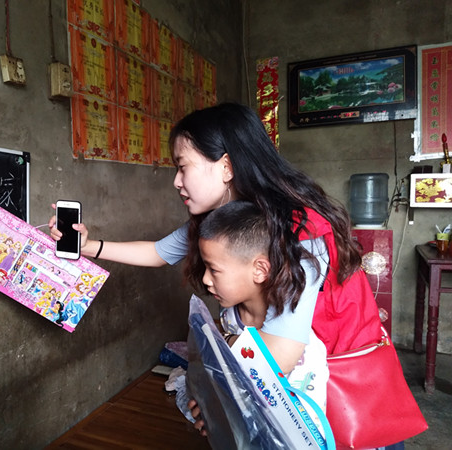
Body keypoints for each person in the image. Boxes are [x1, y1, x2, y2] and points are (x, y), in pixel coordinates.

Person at [49, 102, 382, 371]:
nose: (176, 181)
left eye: (183, 167)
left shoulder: (300, 230)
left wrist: (214, 397)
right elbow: (157, 252)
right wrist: (86, 246)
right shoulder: (226, 221)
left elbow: (281, 353)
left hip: (340, 380)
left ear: (226, 167)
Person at [197, 201, 329, 418]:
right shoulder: (229, 315)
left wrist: (226, 342)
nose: (205, 279)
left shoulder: (302, 350)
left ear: (260, 270)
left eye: (213, 270)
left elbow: (302, 422)